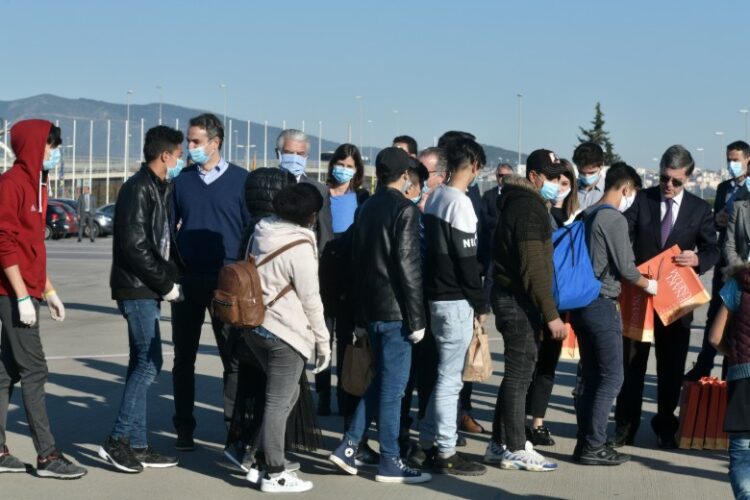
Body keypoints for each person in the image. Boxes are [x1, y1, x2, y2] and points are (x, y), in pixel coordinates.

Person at [329, 147, 430, 484]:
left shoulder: (367, 206)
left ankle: (349, 445)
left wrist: (360, 314)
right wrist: (417, 319)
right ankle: (390, 459)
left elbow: (358, 262)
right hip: (396, 311)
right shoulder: (405, 209)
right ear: (405, 176)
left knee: (382, 381)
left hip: (371, 308)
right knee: (393, 389)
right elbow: (408, 266)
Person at [613, 145, 718, 449]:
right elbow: (624, 236)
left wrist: (697, 259)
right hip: (639, 296)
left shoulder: (699, 209)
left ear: (689, 178)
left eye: (676, 181)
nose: (668, 185)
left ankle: (665, 426)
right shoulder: (642, 200)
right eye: (663, 178)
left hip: (676, 300)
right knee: (631, 364)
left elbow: (712, 249)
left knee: (671, 367)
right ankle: (625, 426)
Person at [0, 119, 87, 479]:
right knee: (35, 370)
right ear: (35, 146)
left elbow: (32, 249)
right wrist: (22, 297)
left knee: (6, 371)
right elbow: (4, 243)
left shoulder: (39, 186)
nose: (55, 152)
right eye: (51, 145)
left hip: (28, 291)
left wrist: (48, 291)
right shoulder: (11, 184)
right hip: (11, 292)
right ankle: (47, 456)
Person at [100, 125, 185, 473]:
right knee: (150, 363)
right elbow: (135, 246)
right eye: (178, 155)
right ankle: (117, 439)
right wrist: (165, 284)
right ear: (165, 155)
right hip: (138, 289)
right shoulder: (138, 188)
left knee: (142, 362)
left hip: (147, 288)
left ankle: (137, 444)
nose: (180, 161)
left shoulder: (159, 187)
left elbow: (158, 241)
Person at [483, 148, 567, 472]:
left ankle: (499, 443)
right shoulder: (529, 208)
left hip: (511, 297)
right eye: (551, 177)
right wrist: (552, 315)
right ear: (534, 176)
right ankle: (516, 447)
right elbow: (534, 269)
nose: (556, 183)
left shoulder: (519, 202)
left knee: (515, 375)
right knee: (520, 376)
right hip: (518, 301)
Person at [171, 113, 250, 450]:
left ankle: (235, 430)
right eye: (188, 141)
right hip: (188, 280)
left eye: (196, 141)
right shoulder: (181, 181)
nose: (190, 147)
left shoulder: (241, 181)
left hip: (227, 283)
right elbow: (168, 228)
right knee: (183, 358)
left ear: (215, 143)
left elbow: (250, 233)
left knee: (233, 359)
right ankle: (183, 428)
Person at [245, 183, 331, 493]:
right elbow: (311, 299)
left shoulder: (261, 232)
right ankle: (275, 473)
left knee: (286, 397)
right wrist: (323, 342)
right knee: (278, 402)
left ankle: (257, 459)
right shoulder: (300, 245)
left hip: (254, 325)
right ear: (311, 215)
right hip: (285, 331)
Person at [570, 163, 657, 465]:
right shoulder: (613, 219)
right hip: (602, 303)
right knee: (612, 377)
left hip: (580, 303)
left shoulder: (587, 213)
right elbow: (627, 269)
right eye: (632, 194)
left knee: (592, 376)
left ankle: (585, 442)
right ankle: (594, 445)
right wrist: (651, 285)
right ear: (626, 188)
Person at [417, 137, 490, 476]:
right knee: (450, 380)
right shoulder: (460, 203)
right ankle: (446, 450)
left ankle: (426, 440)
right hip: (455, 299)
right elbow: (467, 261)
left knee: (442, 376)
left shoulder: (435, 197)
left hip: (435, 297)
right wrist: (480, 303)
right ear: (473, 165)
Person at [523, 158, 580, 447]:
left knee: (547, 365)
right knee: (526, 364)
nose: (559, 188)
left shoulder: (576, 218)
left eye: (565, 183)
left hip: (561, 301)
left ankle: (538, 421)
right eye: (557, 182)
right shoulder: (538, 212)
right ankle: (519, 419)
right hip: (535, 299)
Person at [687, 140, 750, 381]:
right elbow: (717, 224)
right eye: (729, 160)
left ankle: (729, 371)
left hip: (743, 264)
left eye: (736, 160)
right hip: (727, 264)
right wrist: (718, 220)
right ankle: (704, 366)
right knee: (716, 317)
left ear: (747, 160)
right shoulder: (724, 188)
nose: (732, 164)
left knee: (738, 324)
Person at [315, 143, 369, 417]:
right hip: (323, 270)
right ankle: (322, 393)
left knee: (346, 337)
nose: (344, 170)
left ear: (357, 170)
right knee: (322, 336)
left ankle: (345, 392)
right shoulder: (321, 194)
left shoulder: (362, 197)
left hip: (350, 271)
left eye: (350, 166)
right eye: (340, 164)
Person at [708, 265, 750, 500]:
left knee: (742, 452)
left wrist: (735, 355)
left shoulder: (738, 282)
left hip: (742, 377)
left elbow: (715, 337)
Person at [574, 142, 606, 210]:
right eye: (581, 172)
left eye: (591, 173)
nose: (586, 176)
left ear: (601, 166)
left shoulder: (608, 190)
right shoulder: (570, 188)